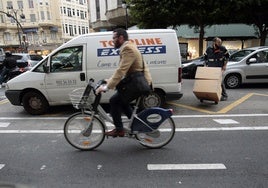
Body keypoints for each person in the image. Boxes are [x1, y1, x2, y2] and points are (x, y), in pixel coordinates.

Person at [96, 28, 152, 137]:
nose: (112, 41)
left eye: (114, 38)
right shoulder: (129, 47)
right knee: (122, 101)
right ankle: (136, 124)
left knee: (114, 101)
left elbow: (121, 71)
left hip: (138, 84)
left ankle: (119, 129)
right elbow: (122, 71)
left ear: (121, 38)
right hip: (136, 81)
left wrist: (107, 87)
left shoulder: (128, 49)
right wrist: (107, 81)